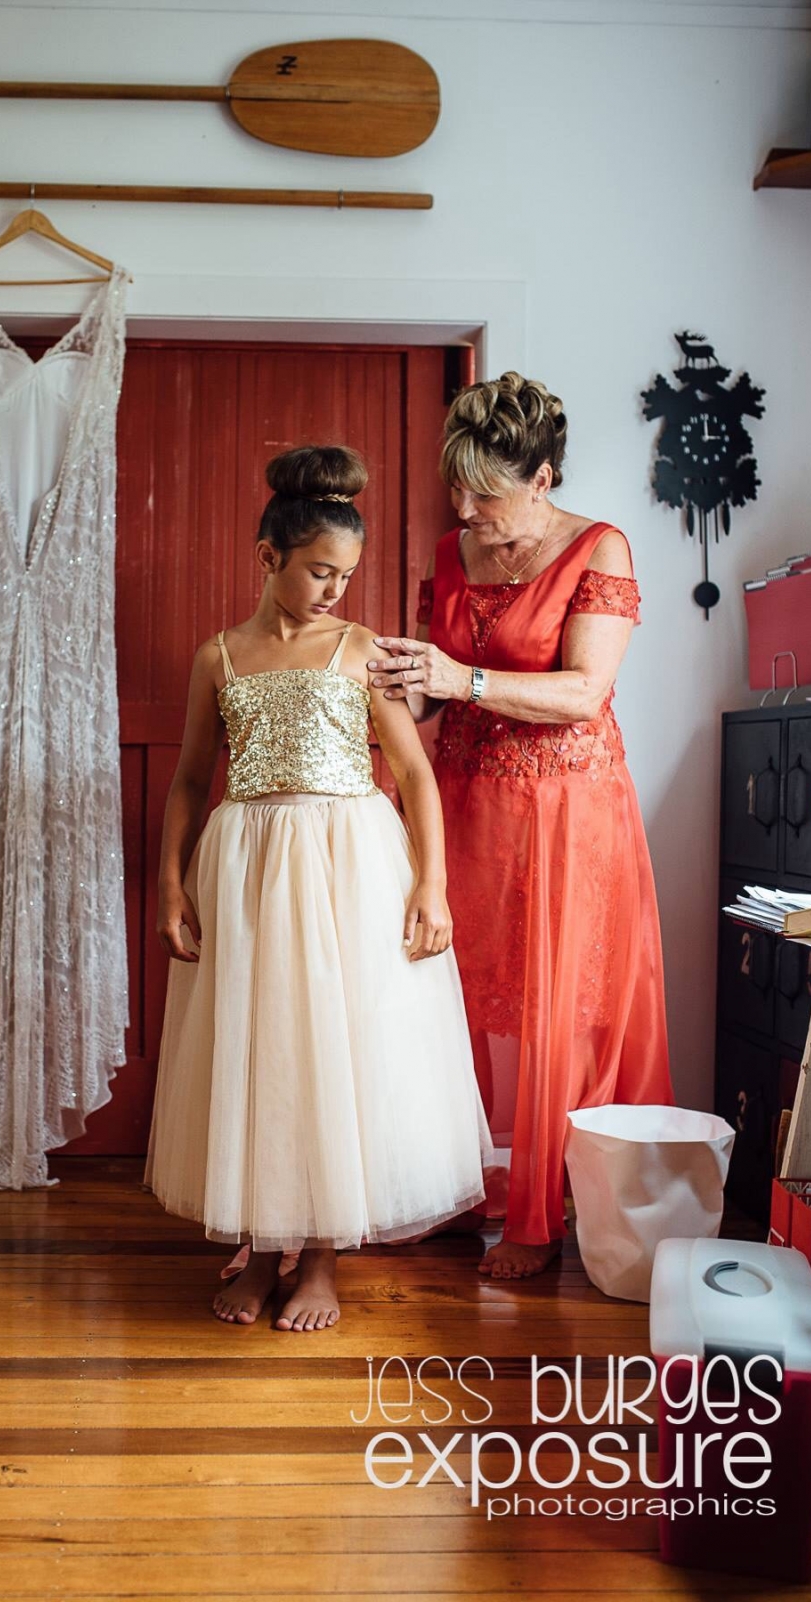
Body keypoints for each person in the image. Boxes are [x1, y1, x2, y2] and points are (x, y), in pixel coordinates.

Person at [144, 445, 492, 1331]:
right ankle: (264, 1250)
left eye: (348, 575)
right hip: (251, 866)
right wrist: (171, 885)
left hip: (349, 865)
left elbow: (413, 776)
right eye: (320, 572)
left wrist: (433, 888)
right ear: (269, 561)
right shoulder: (219, 658)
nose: (337, 589)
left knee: (338, 1047)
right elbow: (190, 780)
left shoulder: (362, 652)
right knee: (263, 1049)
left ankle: (324, 1259)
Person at [367, 372, 673, 1280]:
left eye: (486, 491)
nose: (466, 508)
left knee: (553, 1013)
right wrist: (368, 699)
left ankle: (539, 1219)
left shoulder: (601, 550)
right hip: (461, 803)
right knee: (444, 996)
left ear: (542, 478)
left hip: (566, 812)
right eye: (456, 487)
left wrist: (458, 679)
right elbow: (431, 694)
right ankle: (453, 1192)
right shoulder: (453, 549)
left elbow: (585, 692)